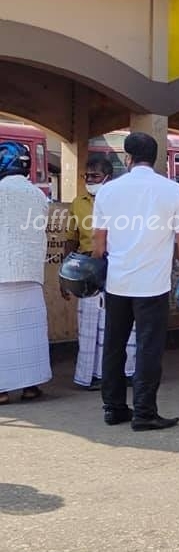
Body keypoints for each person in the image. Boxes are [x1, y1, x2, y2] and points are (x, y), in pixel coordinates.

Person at [92, 132, 179, 431]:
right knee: (148, 346)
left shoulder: (108, 191)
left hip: (117, 282)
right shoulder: (170, 190)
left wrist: (100, 269)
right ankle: (144, 412)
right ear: (155, 159)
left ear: (127, 158)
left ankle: (113, 408)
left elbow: (99, 240)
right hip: (152, 284)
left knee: (114, 345)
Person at [63, 154, 136, 390]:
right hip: (87, 269)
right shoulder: (78, 202)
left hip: (115, 265)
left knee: (117, 323)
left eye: (95, 176)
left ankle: (123, 373)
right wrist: (65, 274)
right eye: (87, 176)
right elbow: (71, 238)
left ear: (108, 177)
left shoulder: (121, 199)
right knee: (89, 325)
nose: (90, 180)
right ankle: (90, 376)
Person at [0, 141, 51, 405]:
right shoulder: (38, 195)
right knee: (29, 334)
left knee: (3, 335)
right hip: (31, 273)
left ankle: (2, 390)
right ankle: (31, 386)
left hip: (2, 272)